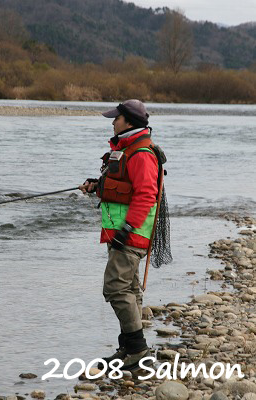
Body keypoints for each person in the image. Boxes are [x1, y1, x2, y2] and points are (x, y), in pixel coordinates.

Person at [80, 99, 163, 371]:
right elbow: (122, 186)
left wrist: (127, 230)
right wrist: (97, 185)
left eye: (116, 118)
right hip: (124, 234)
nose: (113, 121)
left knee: (115, 287)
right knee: (129, 289)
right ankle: (130, 348)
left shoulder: (140, 154)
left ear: (129, 122)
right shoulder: (127, 149)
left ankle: (137, 349)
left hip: (131, 235)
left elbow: (146, 195)